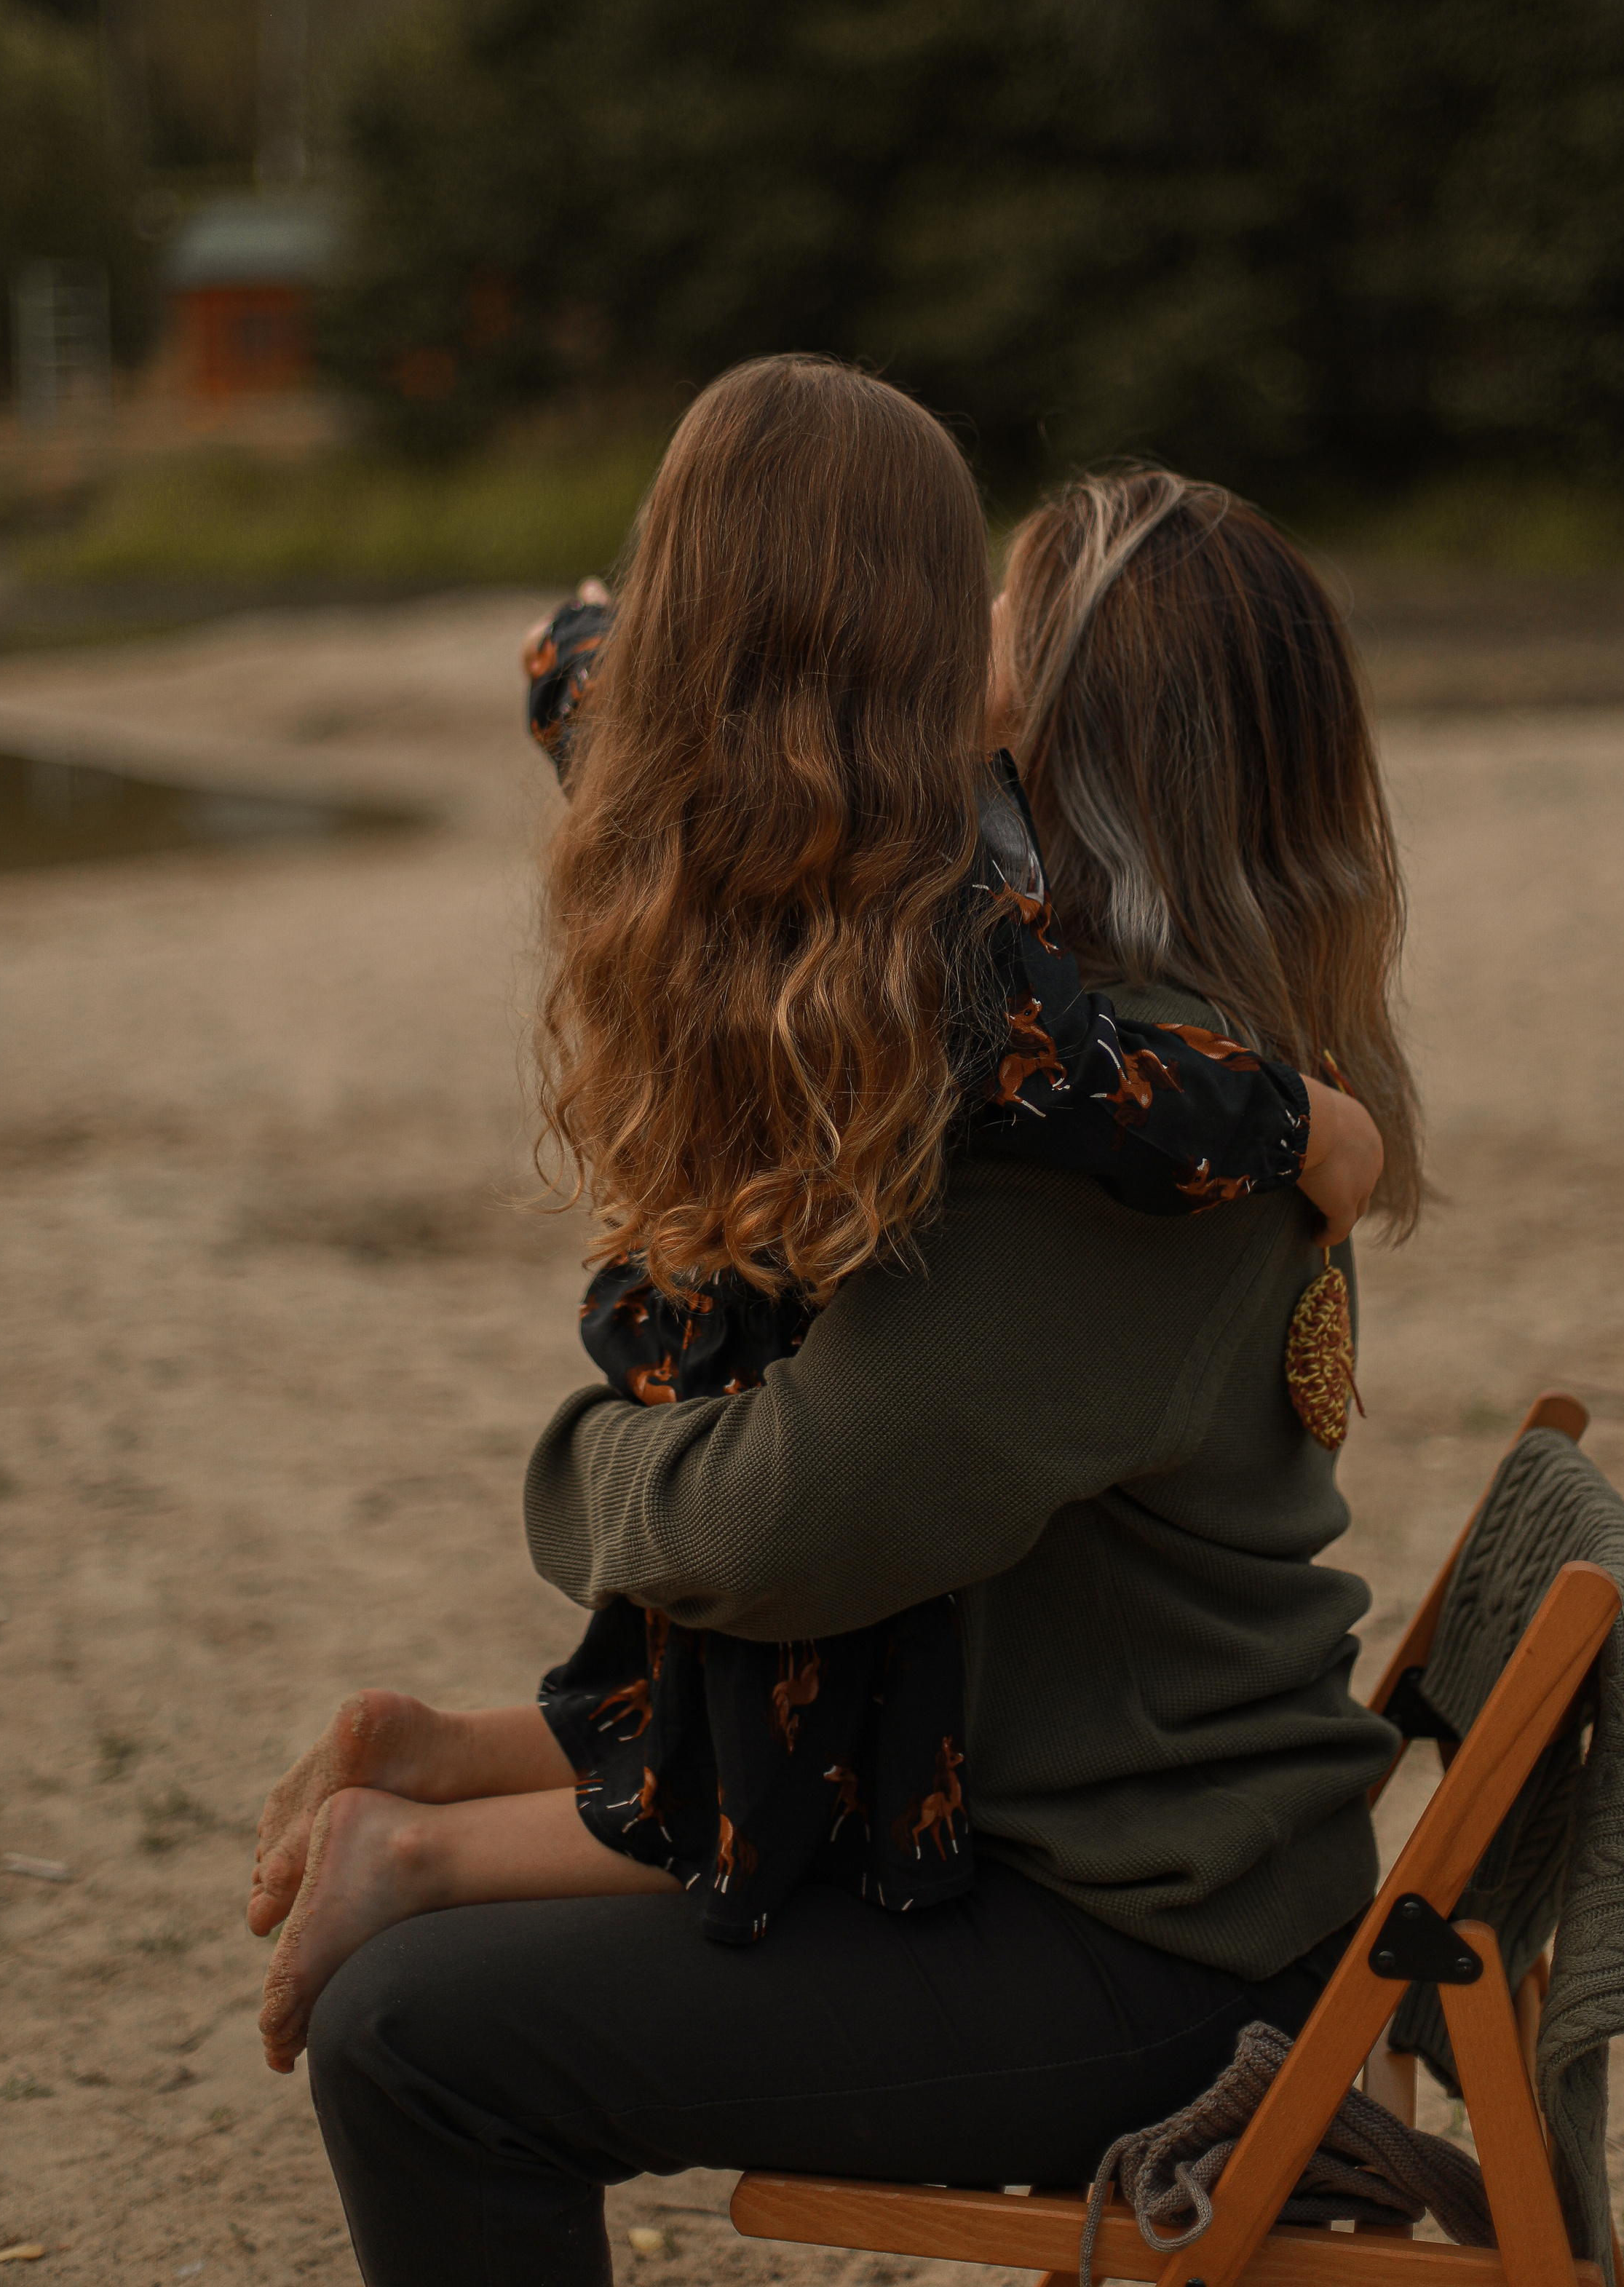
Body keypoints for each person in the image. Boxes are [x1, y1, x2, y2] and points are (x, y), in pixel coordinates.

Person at [264, 370, 1418, 2287]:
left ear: (1062, 733)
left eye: (1000, 618)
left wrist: (582, 1463)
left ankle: (455, 1823)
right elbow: (673, 721)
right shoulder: (1082, 1028)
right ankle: (467, 1793)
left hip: (1149, 1950)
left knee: (421, 2042)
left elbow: (784, 1538)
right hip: (1095, 1825)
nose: (953, 639)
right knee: (444, 1976)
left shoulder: (1114, 1147)